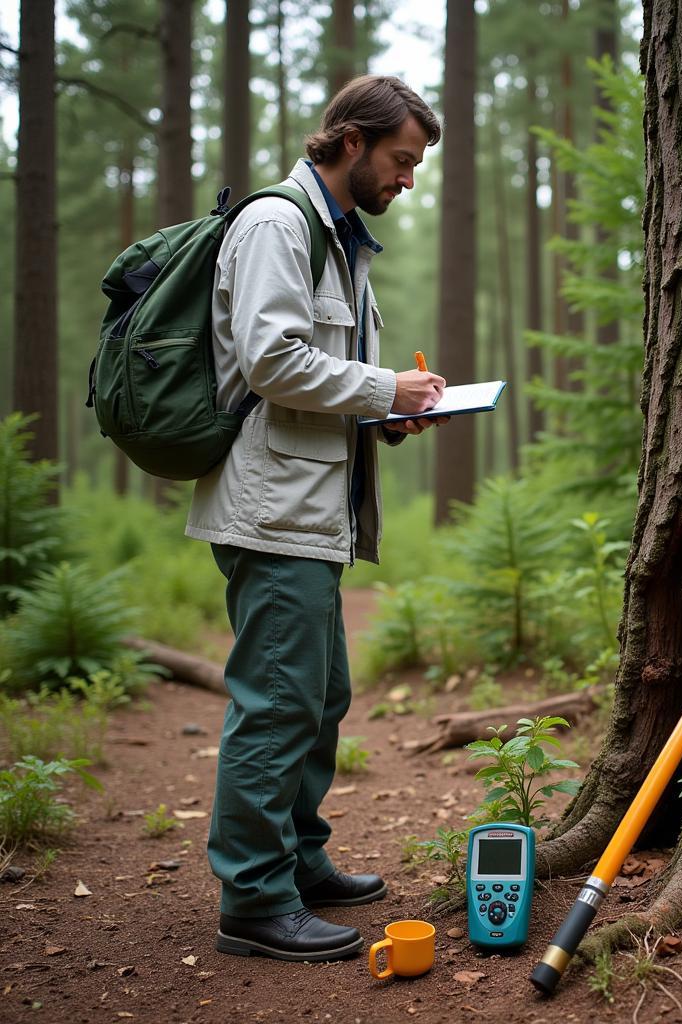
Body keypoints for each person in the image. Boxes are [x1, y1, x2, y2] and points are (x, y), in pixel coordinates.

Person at [185, 76, 447, 963]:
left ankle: (296, 862)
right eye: (403, 159)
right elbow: (269, 361)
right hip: (271, 511)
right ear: (349, 140)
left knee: (320, 694)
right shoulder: (276, 225)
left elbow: (318, 377)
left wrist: (388, 411)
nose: (408, 178)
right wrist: (383, 385)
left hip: (313, 507)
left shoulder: (344, 243)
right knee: (279, 701)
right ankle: (253, 901)